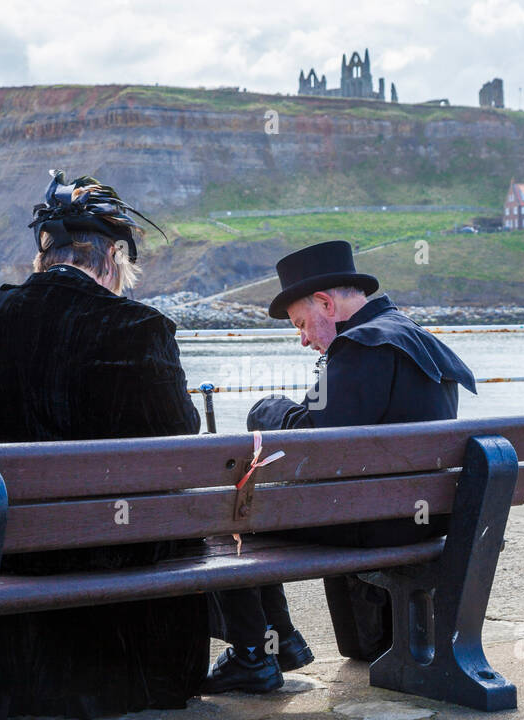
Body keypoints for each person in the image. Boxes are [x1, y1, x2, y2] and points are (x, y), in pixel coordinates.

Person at [0, 169, 206, 720]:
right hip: (117, 546)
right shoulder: (139, 327)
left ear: (45, 254)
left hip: (7, 544)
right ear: (112, 257)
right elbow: (180, 440)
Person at [203, 240, 478, 694]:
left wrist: (264, 408)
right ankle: (279, 642)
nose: (304, 339)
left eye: (301, 324)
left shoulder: (361, 347)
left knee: (225, 519)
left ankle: (256, 653)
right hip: (420, 519)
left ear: (327, 304)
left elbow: (311, 440)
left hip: (378, 524)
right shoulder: (411, 336)